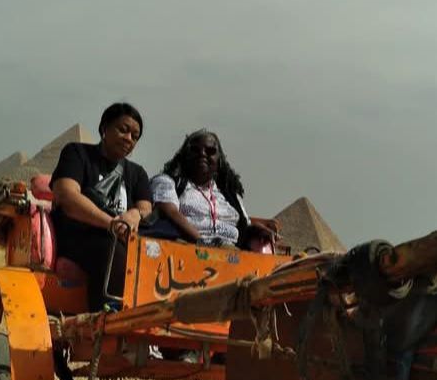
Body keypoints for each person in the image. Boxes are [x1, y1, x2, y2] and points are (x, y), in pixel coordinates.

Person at [49, 102, 153, 312]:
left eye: (135, 136)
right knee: (111, 250)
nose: (128, 139)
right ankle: (105, 320)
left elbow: (146, 208)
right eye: (123, 130)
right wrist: (112, 224)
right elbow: (66, 195)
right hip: (78, 236)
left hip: (121, 239)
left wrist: (134, 214)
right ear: (104, 128)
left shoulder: (137, 173)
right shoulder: (77, 154)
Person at [147, 129, 277, 248]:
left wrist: (258, 230)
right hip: (186, 248)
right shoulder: (168, 182)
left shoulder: (230, 195)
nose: (202, 154)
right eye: (195, 150)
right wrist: (203, 243)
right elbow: (171, 212)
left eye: (210, 151)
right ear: (185, 155)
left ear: (219, 160)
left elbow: (245, 225)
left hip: (232, 252)